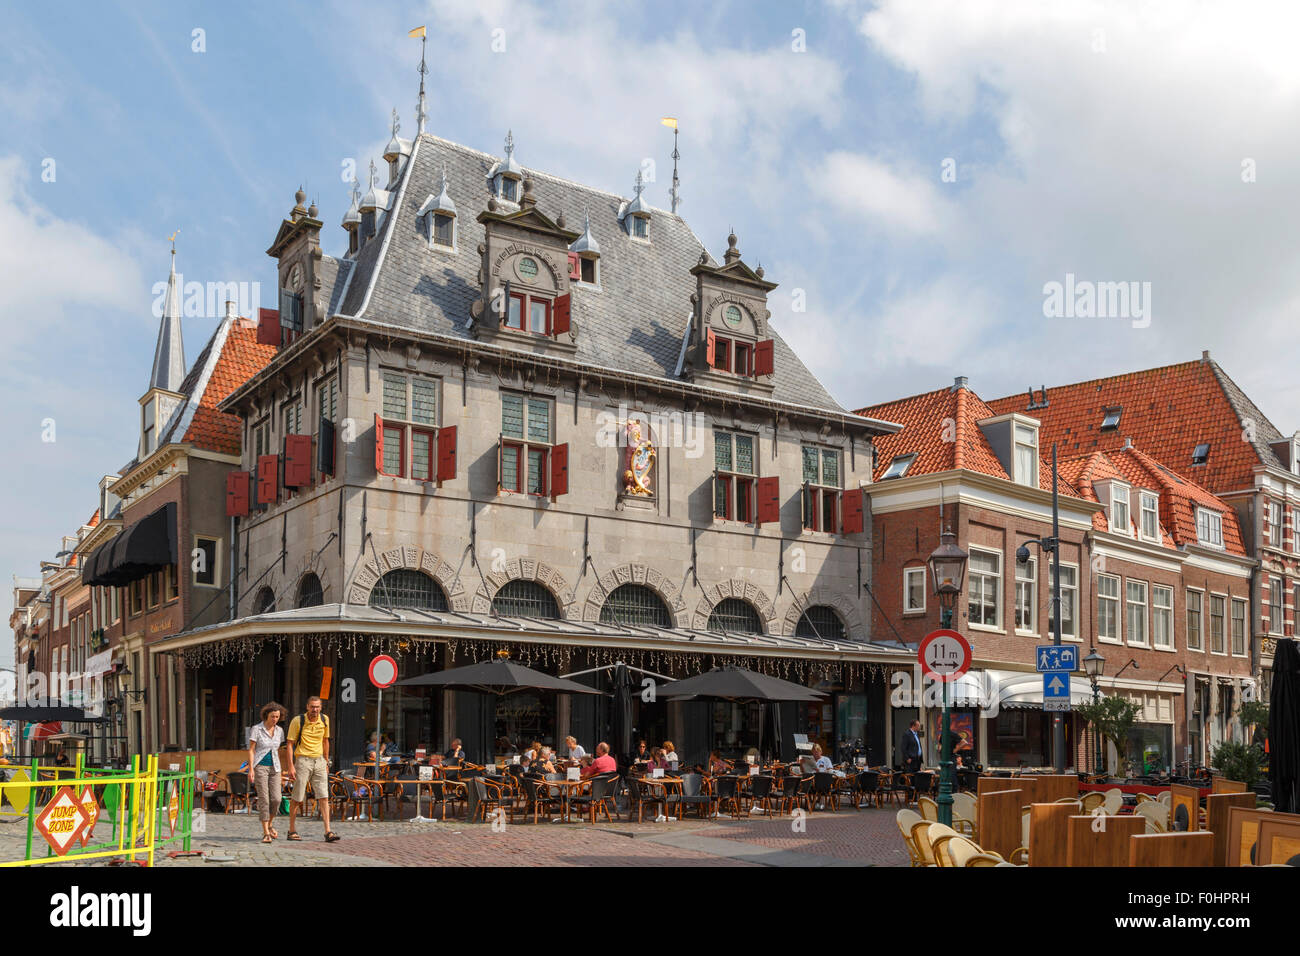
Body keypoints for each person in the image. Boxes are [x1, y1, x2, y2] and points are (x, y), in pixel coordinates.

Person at [286, 696, 338, 842]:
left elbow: (325, 741)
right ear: (307, 707)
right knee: (297, 797)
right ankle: (291, 830)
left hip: (319, 761)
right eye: (312, 707)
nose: (315, 710)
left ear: (321, 707)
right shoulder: (298, 721)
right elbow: (290, 744)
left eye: (317, 707)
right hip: (303, 760)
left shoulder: (325, 719)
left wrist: (326, 762)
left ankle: (328, 831)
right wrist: (291, 765)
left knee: (324, 796)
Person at [248, 701, 287, 843]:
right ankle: (266, 833)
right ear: (266, 716)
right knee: (264, 799)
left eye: (277, 717)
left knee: (276, 798)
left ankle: (270, 823)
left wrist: (283, 770)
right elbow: (252, 750)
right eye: (272, 716)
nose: (275, 719)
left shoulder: (280, 731)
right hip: (260, 766)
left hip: (275, 767)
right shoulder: (257, 729)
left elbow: (277, 750)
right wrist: (251, 768)